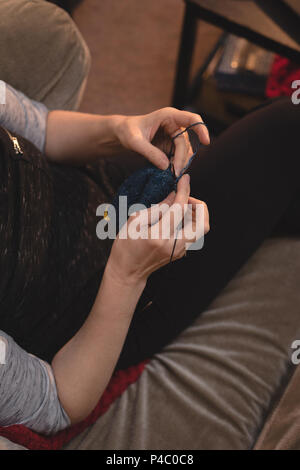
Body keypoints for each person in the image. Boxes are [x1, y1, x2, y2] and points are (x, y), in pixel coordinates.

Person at [0, 81, 299, 435]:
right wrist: (127, 276)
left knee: (262, 152)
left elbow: (41, 126)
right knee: (287, 129)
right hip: (100, 301)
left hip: (102, 185)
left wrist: (120, 130)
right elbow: (59, 401)